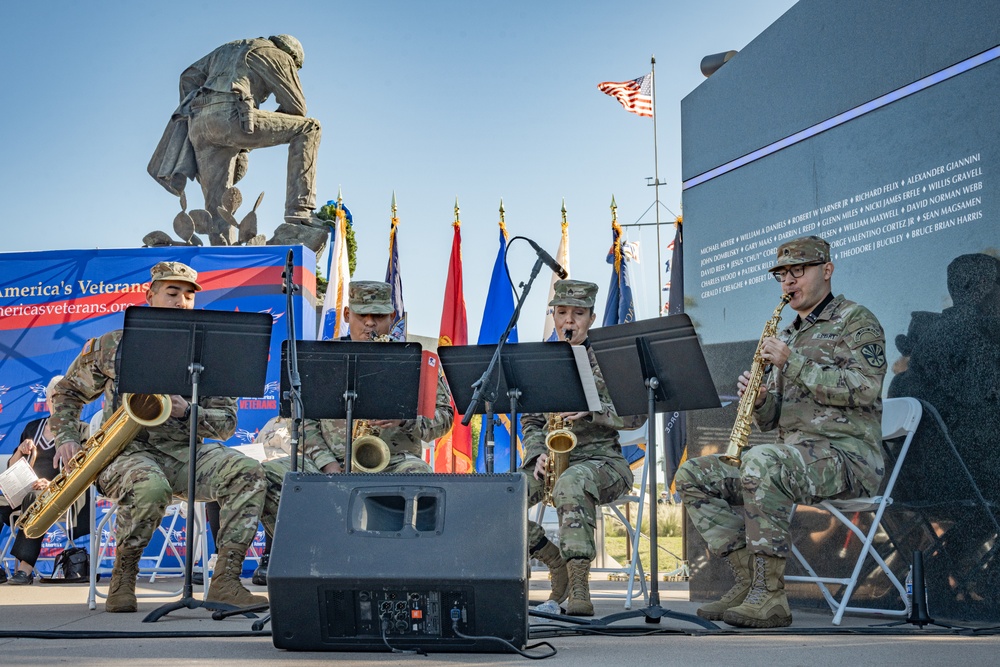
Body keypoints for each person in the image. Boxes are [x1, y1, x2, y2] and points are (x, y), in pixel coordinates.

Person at [675, 235, 887, 628]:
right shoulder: (787, 333)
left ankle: (770, 596)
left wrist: (794, 364)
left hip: (848, 458)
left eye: (798, 271)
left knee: (762, 460)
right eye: (782, 275)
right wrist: (759, 402)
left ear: (826, 270)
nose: (788, 282)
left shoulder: (856, 320)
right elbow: (775, 420)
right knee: (693, 475)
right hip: (792, 459)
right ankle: (748, 581)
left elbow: (865, 388)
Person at [49, 261, 268, 613]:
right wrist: (66, 437)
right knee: (150, 486)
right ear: (149, 295)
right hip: (123, 454)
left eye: (188, 295)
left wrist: (187, 411)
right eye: (172, 292)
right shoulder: (114, 345)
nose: (181, 301)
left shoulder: (209, 352)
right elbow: (67, 393)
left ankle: (226, 580)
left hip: (185, 455)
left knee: (248, 471)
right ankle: (125, 573)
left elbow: (226, 424)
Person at [258, 281, 454, 580]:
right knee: (268, 477)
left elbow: (445, 417)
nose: (371, 323)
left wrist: (405, 420)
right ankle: (306, 559)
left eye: (379, 316)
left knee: (422, 480)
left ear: (393, 317)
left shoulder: (418, 360)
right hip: (325, 461)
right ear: (348, 314)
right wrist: (328, 463)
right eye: (363, 315)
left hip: (395, 460)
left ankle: (405, 570)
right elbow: (302, 420)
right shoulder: (323, 357)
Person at [520, 280, 646, 617]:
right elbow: (531, 421)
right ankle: (552, 560)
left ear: (591, 317)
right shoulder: (541, 361)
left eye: (578, 314)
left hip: (604, 462)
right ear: (554, 316)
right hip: (552, 461)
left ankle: (579, 586)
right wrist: (536, 455)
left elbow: (638, 416)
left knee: (571, 482)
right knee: (499, 496)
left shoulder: (611, 359)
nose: (569, 321)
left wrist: (595, 411)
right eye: (562, 313)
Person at [148, 35, 324, 249]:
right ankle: (300, 211)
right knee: (309, 128)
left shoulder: (227, 49)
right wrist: (251, 136)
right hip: (234, 117)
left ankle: (224, 253)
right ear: (292, 57)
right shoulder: (278, 56)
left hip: (200, 125)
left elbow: (188, 76)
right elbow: (297, 107)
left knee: (218, 204)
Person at [0, 376, 91, 585]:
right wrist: (21, 451)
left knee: (34, 498)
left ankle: (25, 569)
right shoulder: (33, 428)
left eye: (65, 400)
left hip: (63, 493)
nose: (58, 404)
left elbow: (84, 472)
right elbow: (12, 467)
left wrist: (52, 485)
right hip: (26, 490)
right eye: (54, 398)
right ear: (48, 400)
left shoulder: (82, 430)